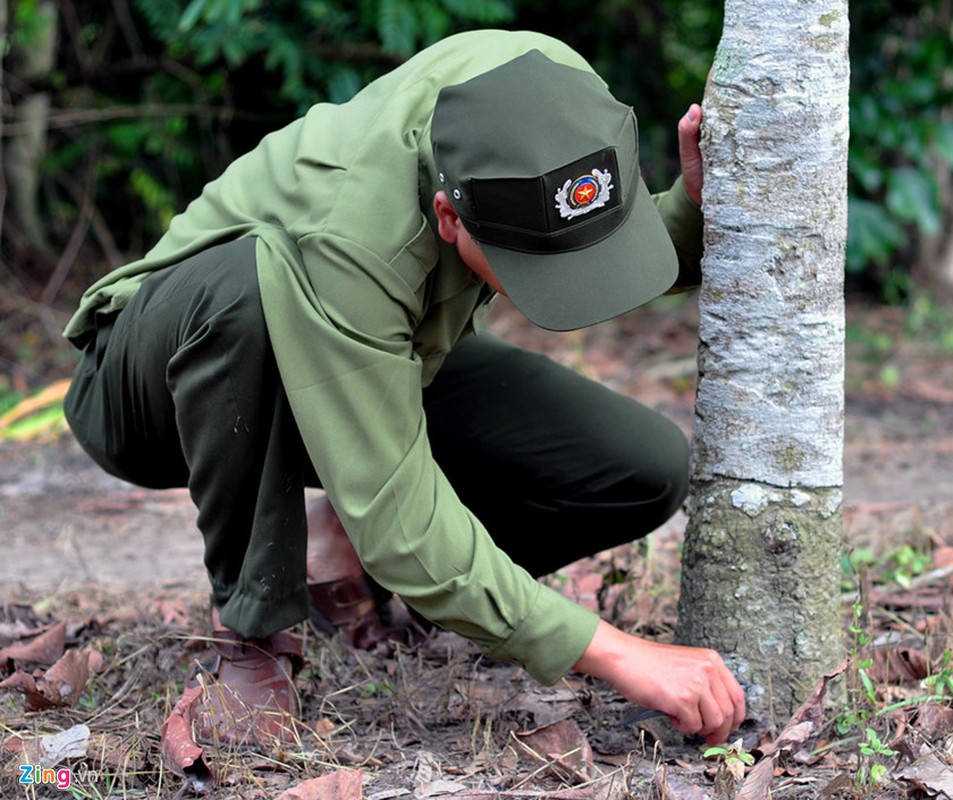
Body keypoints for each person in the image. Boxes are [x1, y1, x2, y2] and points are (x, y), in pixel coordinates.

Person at [62, 29, 746, 749]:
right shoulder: (350, 236)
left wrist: (694, 210)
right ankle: (254, 632)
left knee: (637, 466)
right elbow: (402, 521)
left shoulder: (551, 94)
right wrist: (613, 651)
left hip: (385, 359)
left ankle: (347, 560)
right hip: (153, 389)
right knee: (246, 290)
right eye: (525, 266)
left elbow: (586, 242)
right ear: (449, 216)